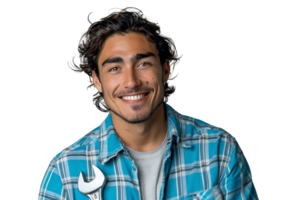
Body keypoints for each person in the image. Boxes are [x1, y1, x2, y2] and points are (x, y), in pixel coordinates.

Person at [37, 6, 260, 200]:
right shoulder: (64, 171)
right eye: (115, 68)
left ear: (165, 70)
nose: (131, 82)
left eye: (143, 63)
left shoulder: (221, 151)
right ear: (96, 80)